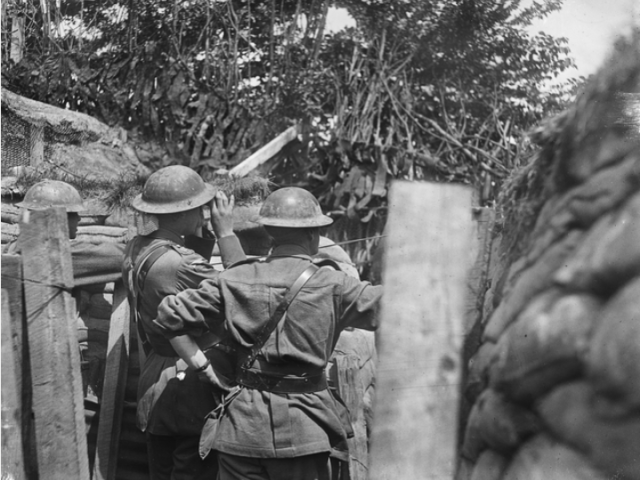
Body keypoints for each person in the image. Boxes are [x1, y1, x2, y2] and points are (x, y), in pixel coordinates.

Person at [154, 186, 383, 480]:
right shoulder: (336, 284)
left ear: (270, 233)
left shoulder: (235, 277)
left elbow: (168, 316)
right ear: (314, 235)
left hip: (241, 430)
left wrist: (203, 368)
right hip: (304, 429)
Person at [122, 165, 246, 480]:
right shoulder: (182, 263)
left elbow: (176, 275)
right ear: (183, 213)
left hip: (155, 381)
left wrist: (198, 237)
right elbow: (244, 290)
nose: (205, 211)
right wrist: (225, 233)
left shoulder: (139, 248)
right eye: (199, 207)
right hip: (189, 384)